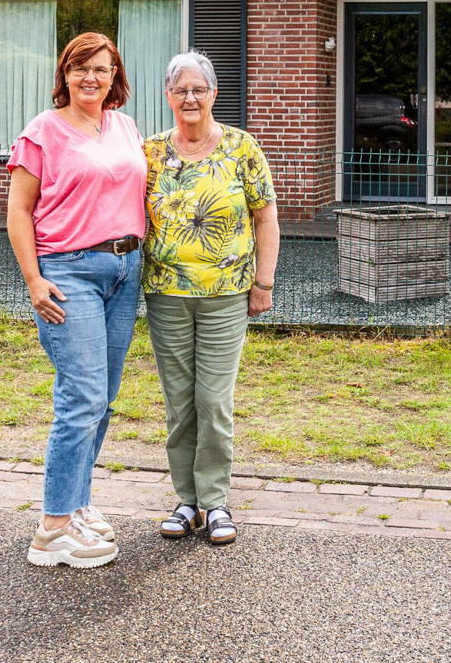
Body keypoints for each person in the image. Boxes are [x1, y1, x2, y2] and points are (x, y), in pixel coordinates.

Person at [6, 32, 144, 569]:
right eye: (82, 68)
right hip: (68, 273)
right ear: (64, 72)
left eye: (103, 69)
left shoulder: (125, 126)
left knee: (103, 396)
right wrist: (34, 281)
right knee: (81, 396)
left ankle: (79, 502)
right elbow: (19, 212)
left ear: (116, 77)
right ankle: (53, 528)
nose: (92, 78)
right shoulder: (42, 132)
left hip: (125, 272)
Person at [143, 51, 279, 546]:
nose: (190, 98)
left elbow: (266, 218)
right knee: (180, 403)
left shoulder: (242, 147)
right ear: (168, 96)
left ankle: (215, 501)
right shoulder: (152, 151)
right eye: (180, 90)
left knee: (213, 401)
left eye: (199, 89)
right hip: (166, 294)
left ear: (214, 94)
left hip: (226, 295)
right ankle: (186, 502)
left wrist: (263, 283)